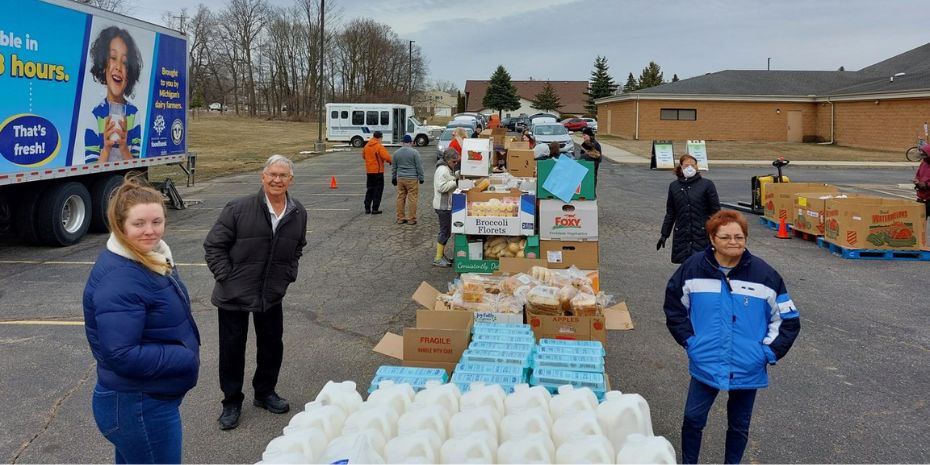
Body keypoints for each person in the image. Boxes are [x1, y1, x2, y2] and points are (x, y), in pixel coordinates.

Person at [664, 210, 800, 464]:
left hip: (748, 365)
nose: (733, 242)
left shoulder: (765, 275)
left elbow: (788, 321)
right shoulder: (692, 269)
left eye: (739, 236)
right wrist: (691, 342)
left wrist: (766, 353)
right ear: (712, 239)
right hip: (706, 361)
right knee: (693, 419)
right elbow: (675, 309)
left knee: (739, 425)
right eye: (725, 236)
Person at [83, 174, 200, 463]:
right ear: (120, 225)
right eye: (139, 224)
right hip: (138, 405)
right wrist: (184, 357)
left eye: (157, 222)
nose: (150, 231)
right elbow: (121, 353)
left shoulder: (150, 257)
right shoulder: (122, 277)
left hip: (142, 399)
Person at [204, 155, 308, 430]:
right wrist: (227, 276)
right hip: (234, 292)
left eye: (282, 176)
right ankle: (231, 401)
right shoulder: (238, 208)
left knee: (272, 345)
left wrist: (288, 275)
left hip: (271, 292)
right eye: (272, 174)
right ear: (262, 177)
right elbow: (214, 246)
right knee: (232, 350)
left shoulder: (297, 212)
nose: (276, 180)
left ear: (290, 180)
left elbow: (298, 246)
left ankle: (264, 393)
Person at [85, 26, 143, 164]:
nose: (118, 67)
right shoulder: (95, 115)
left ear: (130, 72)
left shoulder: (133, 114)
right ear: (104, 64)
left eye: (124, 62)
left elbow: (135, 167)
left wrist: (123, 147)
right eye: (112, 58)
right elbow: (91, 168)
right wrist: (106, 148)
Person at [658, 154, 721, 264]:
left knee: (702, 265)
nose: (690, 168)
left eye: (693, 165)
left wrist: (718, 234)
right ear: (681, 167)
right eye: (686, 165)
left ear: (697, 167)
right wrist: (664, 234)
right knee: (686, 268)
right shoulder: (674, 186)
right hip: (682, 234)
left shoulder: (707, 185)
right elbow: (671, 213)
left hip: (702, 234)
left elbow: (716, 212)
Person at [433, 148, 460, 267]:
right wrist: (456, 182)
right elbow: (441, 187)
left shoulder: (447, 168)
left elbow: (450, 177)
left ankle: (441, 255)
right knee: (445, 232)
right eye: (454, 162)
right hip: (443, 206)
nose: (456, 164)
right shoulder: (442, 170)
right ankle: (438, 258)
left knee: (447, 231)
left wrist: (458, 175)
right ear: (448, 160)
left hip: (446, 205)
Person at [392, 134, 425, 225]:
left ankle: (400, 218)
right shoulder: (415, 152)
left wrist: (393, 178)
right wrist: (421, 177)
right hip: (412, 178)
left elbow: (394, 167)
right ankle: (411, 219)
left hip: (401, 178)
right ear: (411, 142)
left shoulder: (396, 153)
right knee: (412, 199)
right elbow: (419, 166)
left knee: (400, 198)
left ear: (403, 142)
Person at [362, 131, 392, 214]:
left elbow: (363, 156)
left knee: (370, 189)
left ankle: (367, 208)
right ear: (380, 137)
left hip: (369, 171)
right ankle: (375, 208)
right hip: (378, 171)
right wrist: (390, 161)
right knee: (378, 190)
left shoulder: (367, 145)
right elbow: (386, 156)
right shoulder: (379, 146)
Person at [913, 144, 930, 217]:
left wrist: (926, 185)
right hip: (921, 198)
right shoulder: (923, 163)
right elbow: (918, 175)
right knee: (919, 223)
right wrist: (917, 181)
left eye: (924, 154)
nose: (923, 157)